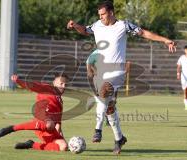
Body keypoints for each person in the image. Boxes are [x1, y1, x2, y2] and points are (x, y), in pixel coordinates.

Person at [67, 1, 176, 154]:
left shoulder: (123, 25)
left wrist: (165, 40)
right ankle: (119, 139)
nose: (101, 17)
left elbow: (144, 33)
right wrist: (75, 25)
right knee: (109, 106)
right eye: (99, 15)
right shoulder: (97, 25)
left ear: (111, 12)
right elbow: (85, 31)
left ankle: (97, 129)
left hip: (117, 71)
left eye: (103, 14)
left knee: (103, 93)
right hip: (101, 70)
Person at [0, 73, 68, 152]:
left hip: (48, 128)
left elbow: (58, 124)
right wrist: (19, 81)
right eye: (61, 83)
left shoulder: (60, 102)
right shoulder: (46, 88)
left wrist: (61, 138)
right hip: (40, 120)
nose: (64, 86)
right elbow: (32, 86)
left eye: (65, 84)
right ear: (54, 83)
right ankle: (12, 128)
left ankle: (31, 144)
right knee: (50, 124)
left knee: (63, 147)